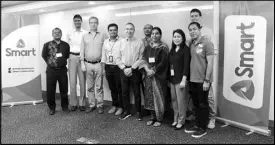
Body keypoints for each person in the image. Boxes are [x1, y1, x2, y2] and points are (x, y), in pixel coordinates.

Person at [186, 8, 217, 129]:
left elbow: (211, 58)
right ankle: (198, 120)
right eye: (192, 16)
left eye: (196, 16)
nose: (194, 17)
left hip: (204, 77)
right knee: (197, 102)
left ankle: (211, 119)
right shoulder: (191, 42)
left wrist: (207, 79)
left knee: (207, 100)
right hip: (194, 77)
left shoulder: (207, 37)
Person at [139, 27, 169, 127]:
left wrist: (153, 70)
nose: (154, 35)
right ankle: (152, 117)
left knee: (159, 96)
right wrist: (147, 70)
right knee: (149, 96)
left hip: (159, 77)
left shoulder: (164, 47)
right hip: (148, 76)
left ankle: (159, 118)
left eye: (156, 33)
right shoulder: (148, 47)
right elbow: (143, 59)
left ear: (160, 35)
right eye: (152, 33)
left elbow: (164, 62)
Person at [116, 22, 144, 121]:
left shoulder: (139, 42)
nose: (129, 31)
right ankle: (127, 111)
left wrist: (132, 68)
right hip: (123, 70)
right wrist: (124, 68)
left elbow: (141, 58)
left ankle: (138, 112)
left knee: (137, 92)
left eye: (131, 29)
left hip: (135, 70)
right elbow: (117, 58)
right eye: (127, 29)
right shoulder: (120, 42)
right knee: (124, 92)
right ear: (124, 30)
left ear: (134, 30)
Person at [42, 27, 70, 115]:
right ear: (52, 34)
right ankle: (52, 108)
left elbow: (66, 56)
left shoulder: (66, 45)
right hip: (51, 71)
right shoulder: (47, 44)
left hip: (62, 71)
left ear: (61, 34)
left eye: (58, 32)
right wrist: (50, 63)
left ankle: (65, 106)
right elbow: (44, 55)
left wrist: (61, 62)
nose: (57, 34)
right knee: (50, 90)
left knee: (64, 90)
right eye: (55, 33)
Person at [80, 16, 105, 114]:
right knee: (90, 87)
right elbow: (82, 50)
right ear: (89, 24)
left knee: (99, 86)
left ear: (98, 24)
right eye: (91, 22)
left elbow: (105, 50)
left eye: (95, 22)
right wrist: (82, 63)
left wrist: (103, 64)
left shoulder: (103, 35)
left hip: (99, 64)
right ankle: (91, 104)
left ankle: (100, 105)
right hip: (88, 64)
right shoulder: (84, 36)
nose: (93, 24)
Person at [169, 29, 191, 130]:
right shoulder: (173, 49)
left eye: (178, 36)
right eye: (175, 36)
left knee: (181, 101)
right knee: (174, 100)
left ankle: (181, 120)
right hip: (172, 80)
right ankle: (175, 118)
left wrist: (184, 80)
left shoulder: (185, 49)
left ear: (182, 38)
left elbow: (186, 66)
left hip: (181, 80)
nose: (176, 38)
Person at [101, 23, 123, 116]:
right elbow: (103, 56)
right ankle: (114, 105)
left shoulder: (122, 41)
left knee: (120, 88)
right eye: (111, 30)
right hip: (108, 67)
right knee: (112, 88)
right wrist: (103, 69)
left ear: (117, 31)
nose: (113, 31)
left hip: (118, 67)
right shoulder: (105, 42)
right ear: (108, 31)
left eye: (114, 30)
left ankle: (121, 107)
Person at [66, 14, 87, 112]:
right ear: (73, 22)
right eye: (75, 20)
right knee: (72, 81)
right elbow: (66, 47)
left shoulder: (86, 33)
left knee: (82, 81)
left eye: (79, 20)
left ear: (81, 21)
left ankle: (82, 103)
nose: (77, 22)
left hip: (82, 57)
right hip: (72, 57)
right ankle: (73, 103)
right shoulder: (69, 33)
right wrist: (67, 61)